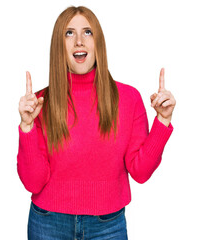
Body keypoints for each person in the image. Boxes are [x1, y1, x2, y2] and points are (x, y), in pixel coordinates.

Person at [17, 5, 176, 240]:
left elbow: (140, 172)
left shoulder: (128, 99)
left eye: (87, 32)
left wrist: (162, 122)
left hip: (108, 226)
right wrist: (27, 128)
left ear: (98, 43)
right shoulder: (39, 103)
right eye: (69, 33)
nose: (79, 41)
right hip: (48, 224)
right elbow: (33, 181)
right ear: (58, 45)